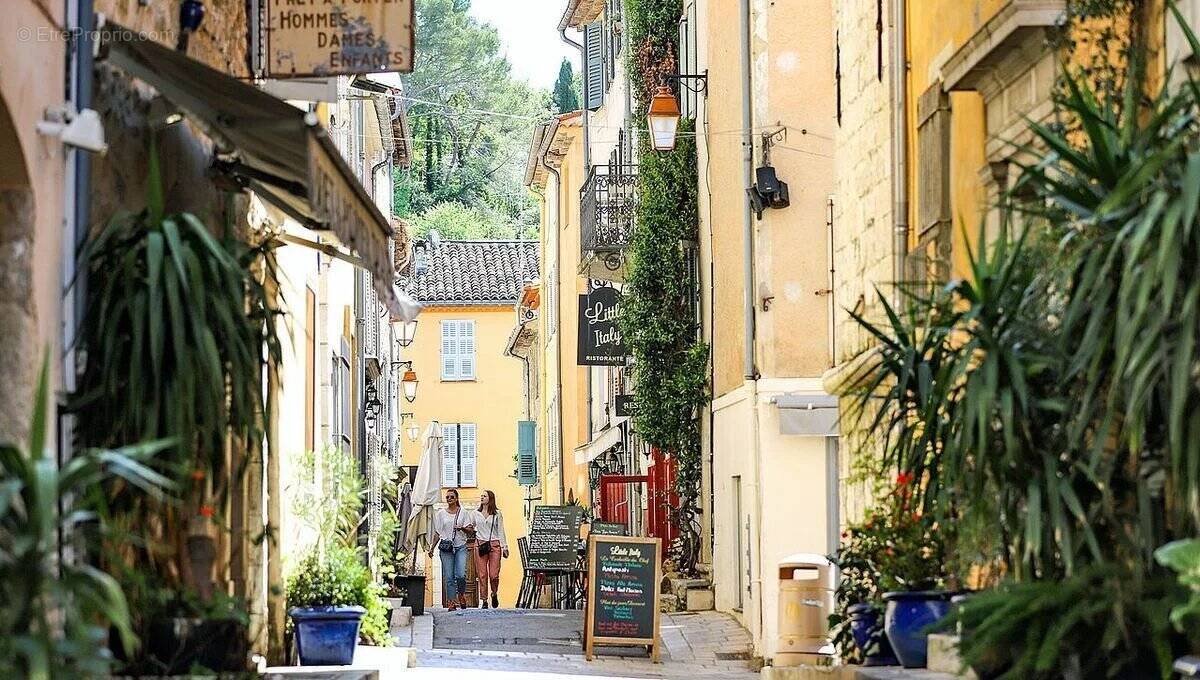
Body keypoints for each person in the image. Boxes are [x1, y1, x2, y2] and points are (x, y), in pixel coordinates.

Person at [428, 488, 473, 611]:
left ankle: (461, 594)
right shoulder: (441, 514)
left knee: (460, 575)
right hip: (446, 548)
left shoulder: (463, 513)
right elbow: (437, 532)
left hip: (461, 547)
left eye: (452, 497)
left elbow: (470, 530)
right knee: (449, 577)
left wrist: (462, 528)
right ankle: (452, 602)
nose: (449, 499)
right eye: (447, 497)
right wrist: (432, 548)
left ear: (457, 498)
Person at [471, 490, 509, 609]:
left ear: (490, 498)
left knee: (494, 575)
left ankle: (494, 593)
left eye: (484, 496)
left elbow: (501, 530)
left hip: (494, 545)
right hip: (480, 544)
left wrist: (505, 546)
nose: (482, 497)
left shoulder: (497, 514)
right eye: (481, 496)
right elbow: (470, 526)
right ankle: (484, 600)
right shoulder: (475, 514)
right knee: (482, 574)